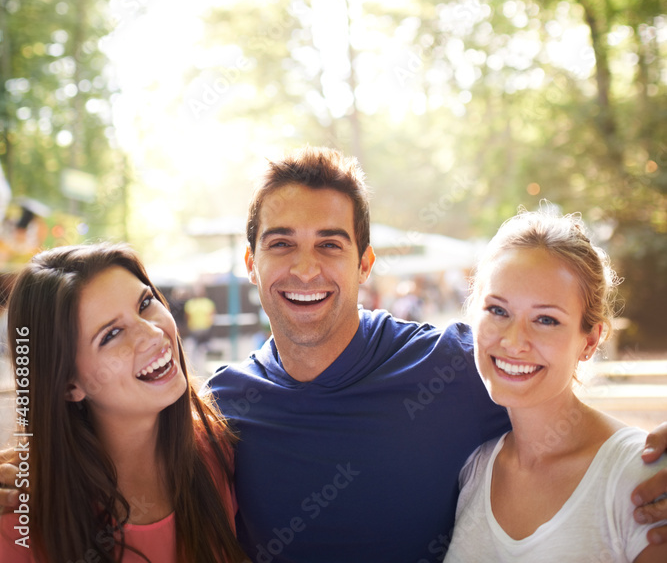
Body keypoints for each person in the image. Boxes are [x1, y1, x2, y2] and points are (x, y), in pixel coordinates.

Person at [205, 147, 667, 562]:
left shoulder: (453, 367)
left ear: (365, 263)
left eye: (330, 244)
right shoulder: (220, 407)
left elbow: (558, 397)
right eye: (281, 243)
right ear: (250, 263)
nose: (305, 269)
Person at [444, 207, 667, 562]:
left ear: (590, 341)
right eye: (498, 311)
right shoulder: (474, 469)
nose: (514, 341)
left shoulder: (641, 476)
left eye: (546, 319)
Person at [0, 243, 246, 563]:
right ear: (67, 384)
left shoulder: (218, 452)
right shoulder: (17, 521)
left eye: (145, 303)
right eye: (111, 333)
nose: (152, 333)